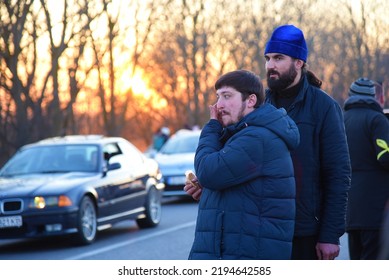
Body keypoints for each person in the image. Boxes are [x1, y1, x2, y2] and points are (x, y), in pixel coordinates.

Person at [185, 25, 351, 260]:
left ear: (299, 62)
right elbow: (234, 160)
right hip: (261, 228)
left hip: (305, 231)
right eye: (268, 58)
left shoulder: (323, 107)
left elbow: (338, 173)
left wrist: (330, 234)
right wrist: (208, 185)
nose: (270, 65)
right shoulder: (256, 106)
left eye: (279, 58)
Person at [187, 69, 300, 260]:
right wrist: (209, 191)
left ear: (250, 101)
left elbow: (208, 171)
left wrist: (211, 127)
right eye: (218, 96)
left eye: (227, 96)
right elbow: (245, 192)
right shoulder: (240, 134)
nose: (218, 105)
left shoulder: (257, 138)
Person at [343, 78, 389, 259]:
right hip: (375, 209)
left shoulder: (341, 119)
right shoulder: (377, 120)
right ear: (373, 97)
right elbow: (385, 156)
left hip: (350, 210)